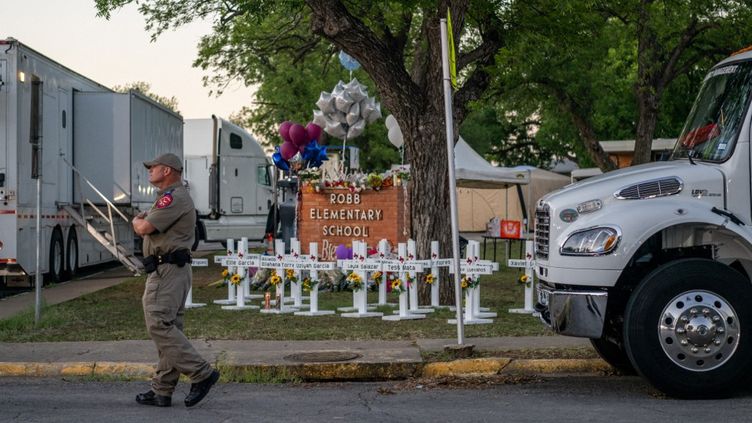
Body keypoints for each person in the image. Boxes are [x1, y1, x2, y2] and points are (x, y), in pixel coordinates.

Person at [131, 153, 219, 408]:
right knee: (170, 327)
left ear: (168, 170)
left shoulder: (173, 197)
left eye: (153, 166)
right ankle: (163, 390)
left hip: (167, 270)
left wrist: (138, 220)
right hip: (170, 269)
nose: (149, 170)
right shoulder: (169, 197)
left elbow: (144, 228)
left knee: (159, 324)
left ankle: (202, 373)